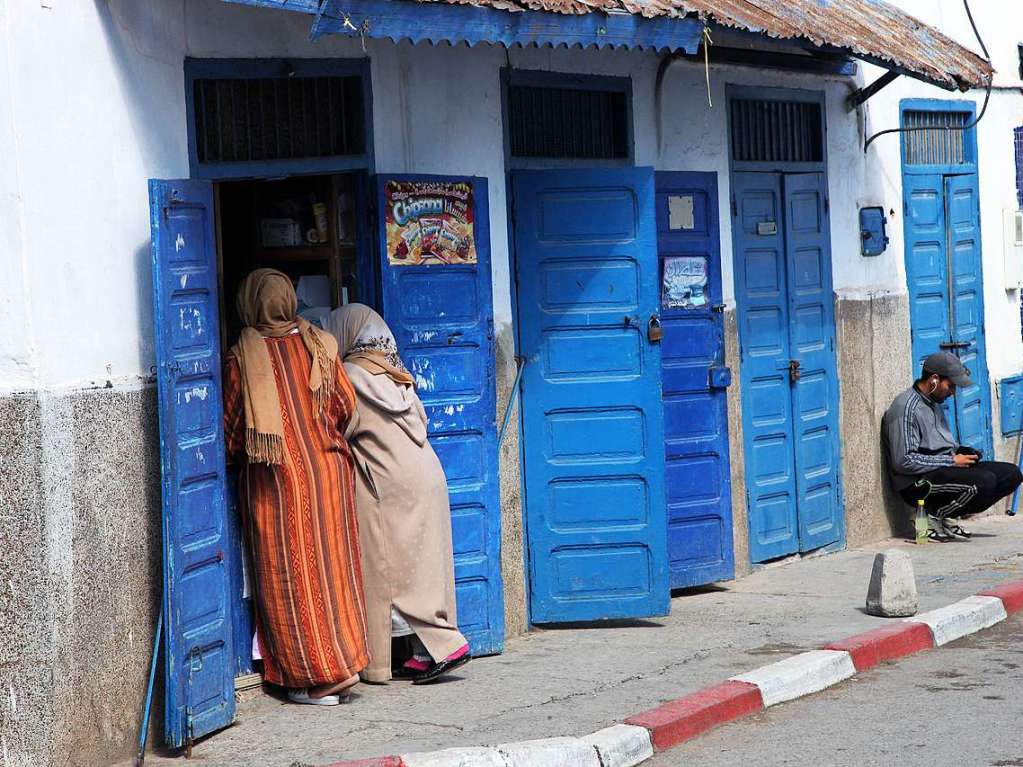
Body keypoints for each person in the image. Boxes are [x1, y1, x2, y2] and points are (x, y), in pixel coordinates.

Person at [223, 269, 369, 705]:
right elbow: (344, 405)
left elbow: (232, 433)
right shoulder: (321, 345)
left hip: (277, 488)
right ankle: (345, 666)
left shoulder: (241, 359)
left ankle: (313, 679)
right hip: (330, 479)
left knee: (293, 582)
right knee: (333, 576)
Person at [325, 303, 472, 685]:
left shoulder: (351, 375)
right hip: (427, 475)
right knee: (422, 567)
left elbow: (342, 428)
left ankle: (438, 647)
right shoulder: (396, 373)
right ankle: (426, 651)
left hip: (389, 484)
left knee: (388, 570)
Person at [881, 351, 1022, 541]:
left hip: (944, 467)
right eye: (951, 386)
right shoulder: (906, 408)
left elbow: (940, 444)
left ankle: (947, 515)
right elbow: (904, 461)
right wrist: (951, 460)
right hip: (918, 482)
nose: (953, 392)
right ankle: (931, 516)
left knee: (1011, 475)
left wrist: (960, 452)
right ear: (934, 380)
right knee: (984, 482)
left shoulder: (934, 402)